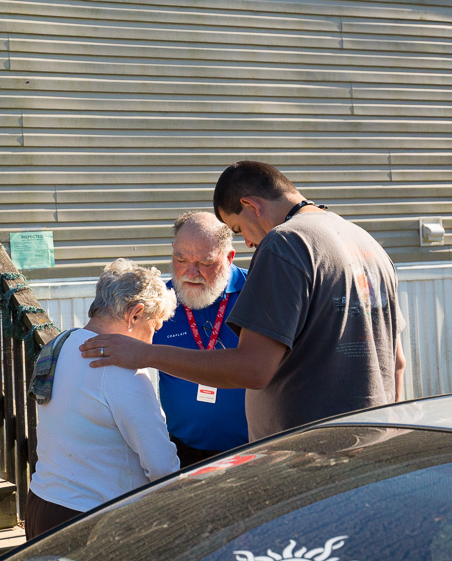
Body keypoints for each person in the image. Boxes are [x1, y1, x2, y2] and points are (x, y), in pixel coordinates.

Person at [78, 161, 406, 442]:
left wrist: (145, 354)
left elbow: (253, 369)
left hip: (306, 453)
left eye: (238, 228)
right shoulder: (366, 243)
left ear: (252, 206)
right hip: (371, 440)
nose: (249, 242)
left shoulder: (285, 242)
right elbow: (397, 362)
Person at [25, 258, 180, 540]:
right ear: (135, 315)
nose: (152, 340)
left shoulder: (59, 345)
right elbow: (161, 466)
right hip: (93, 523)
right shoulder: (121, 369)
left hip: (41, 504)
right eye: (154, 327)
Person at [155, 211, 248, 466]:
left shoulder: (257, 291)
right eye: (180, 258)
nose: (191, 272)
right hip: (181, 450)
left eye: (206, 262)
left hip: (253, 449)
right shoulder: (158, 301)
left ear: (229, 258)